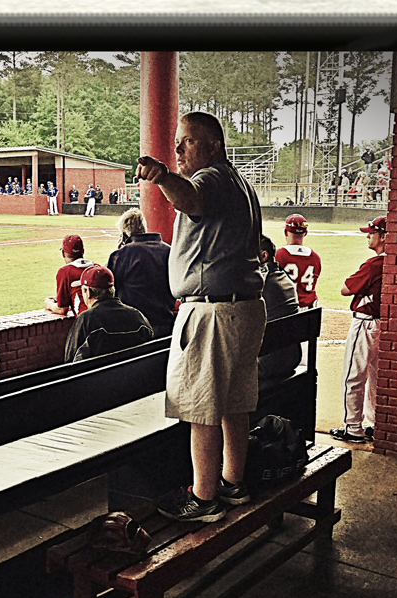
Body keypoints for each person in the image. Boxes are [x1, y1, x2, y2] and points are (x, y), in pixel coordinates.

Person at [135, 109, 266, 523]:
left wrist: (160, 176)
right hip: (243, 308)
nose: (178, 148)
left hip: (212, 310)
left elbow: (190, 197)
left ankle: (204, 498)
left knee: (201, 407)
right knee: (234, 403)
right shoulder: (241, 183)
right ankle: (233, 483)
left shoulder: (211, 178)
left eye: (187, 141)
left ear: (213, 145)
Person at [329, 216, 386, 444]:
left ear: (384, 236)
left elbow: (345, 289)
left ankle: (353, 427)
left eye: (371, 233)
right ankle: (374, 424)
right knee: (376, 378)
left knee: (353, 376)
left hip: (365, 323)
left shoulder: (374, 265)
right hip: (383, 325)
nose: (367, 236)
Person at [62, 265, 154, 362]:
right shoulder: (137, 315)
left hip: (99, 377)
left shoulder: (86, 320)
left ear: (88, 292)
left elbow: (70, 361)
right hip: (138, 375)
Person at [108, 208, 176, 333]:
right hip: (166, 323)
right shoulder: (169, 251)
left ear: (124, 235)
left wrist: (118, 252)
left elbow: (108, 289)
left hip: (133, 327)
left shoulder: (122, 255)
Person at [254, 236, 304, 389]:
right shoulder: (284, 278)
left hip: (269, 363)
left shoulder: (261, 284)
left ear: (264, 255)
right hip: (291, 357)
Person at [275, 213, 323, 307]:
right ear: (305, 233)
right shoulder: (315, 257)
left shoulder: (278, 255)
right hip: (310, 309)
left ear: (285, 232)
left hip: (286, 308)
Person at [44, 234, 96, 316]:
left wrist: (49, 304)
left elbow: (62, 309)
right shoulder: (97, 268)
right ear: (83, 251)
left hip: (86, 322)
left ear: (63, 254)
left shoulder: (64, 272)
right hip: (106, 317)